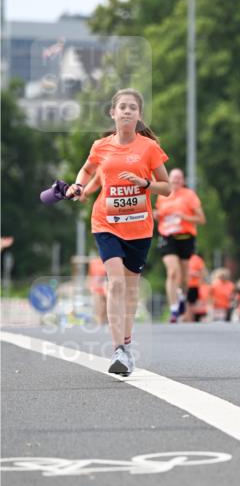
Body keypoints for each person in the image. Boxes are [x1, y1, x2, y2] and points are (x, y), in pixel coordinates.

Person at [66, 88, 170, 376]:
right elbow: (86, 171)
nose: (126, 111)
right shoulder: (101, 146)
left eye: (132, 108)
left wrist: (144, 184)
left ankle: (127, 343)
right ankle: (118, 350)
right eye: (121, 107)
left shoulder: (148, 148)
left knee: (131, 289)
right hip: (106, 223)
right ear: (113, 113)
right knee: (116, 283)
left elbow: (167, 187)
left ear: (139, 116)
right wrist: (78, 187)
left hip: (139, 227)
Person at [155, 168, 206, 323]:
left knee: (184, 276)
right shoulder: (163, 195)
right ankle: (174, 309)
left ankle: (182, 296)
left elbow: (201, 219)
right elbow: (159, 215)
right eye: (173, 178)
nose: (176, 181)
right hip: (167, 236)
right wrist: (156, 215)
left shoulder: (189, 195)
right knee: (172, 272)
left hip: (186, 237)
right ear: (168, 179)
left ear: (183, 181)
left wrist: (184, 217)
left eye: (179, 178)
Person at [183, 252, 207, 322]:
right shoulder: (180, 258)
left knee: (191, 303)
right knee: (185, 303)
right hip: (183, 285)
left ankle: (191, 320)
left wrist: (194, 273)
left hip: (193, 285)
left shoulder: (197, 259)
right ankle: (187, 318)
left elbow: (204, 273)